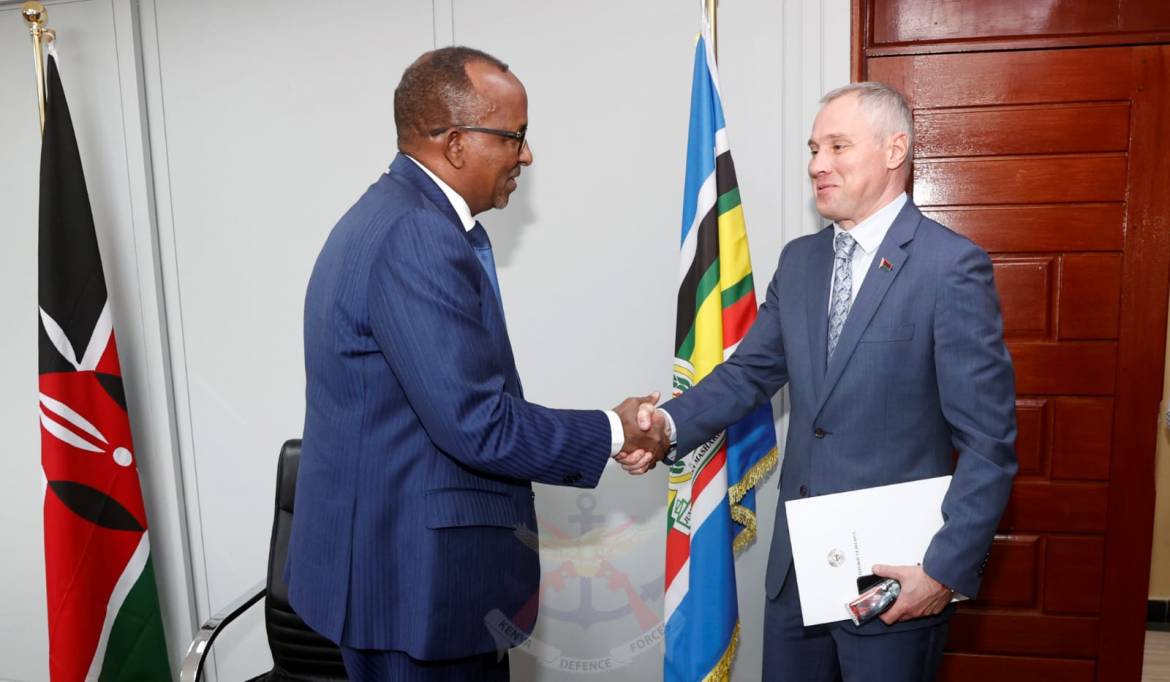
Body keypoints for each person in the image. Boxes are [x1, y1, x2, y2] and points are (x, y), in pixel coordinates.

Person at [286, 46, 667, 681]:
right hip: (417, 586)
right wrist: (613, 429)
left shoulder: (386, 215)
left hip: (388, 570)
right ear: (457, 144)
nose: (527, 155)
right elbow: (476, 422)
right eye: (514, 136)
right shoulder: (417, 233)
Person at [628, 82, 1017, 680]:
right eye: (814, 149)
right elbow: (748, 374)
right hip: (797, 575)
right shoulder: (800, 262)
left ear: (894, 150)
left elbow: (989, 446)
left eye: (837, 146)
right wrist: (666, 425)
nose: (817, 165)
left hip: (896, 580)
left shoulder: (950, 267)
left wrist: (943, 569)